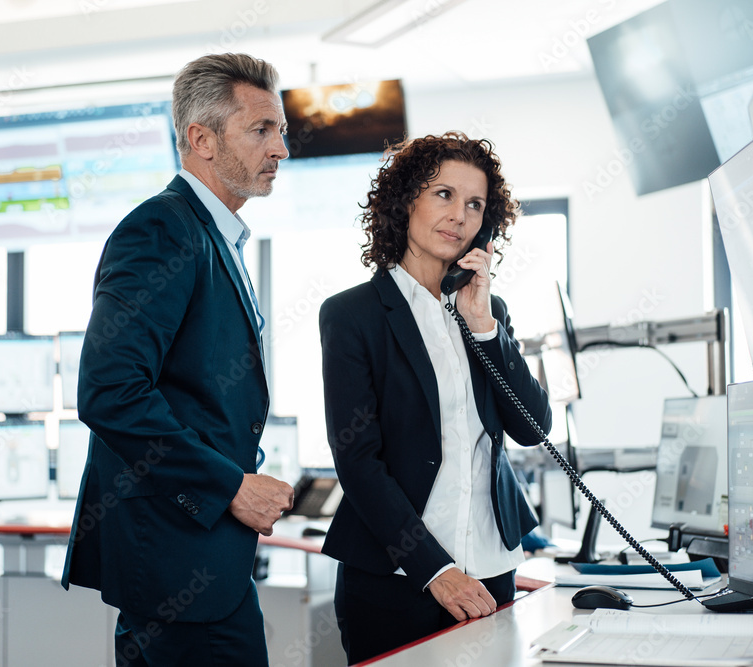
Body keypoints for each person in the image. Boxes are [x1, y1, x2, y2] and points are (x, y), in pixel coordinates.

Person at [62, 53, 294, 667]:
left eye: (282, 131)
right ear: (201, 140)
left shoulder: (215, 237)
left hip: (204, 556)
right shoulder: (161, 231)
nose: (281, 149)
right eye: (262, 130)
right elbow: (110, 391)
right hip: (175, 561)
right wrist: (231, 487)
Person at [318, 132, 553, 663]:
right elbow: (357, 462)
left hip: (492, 568)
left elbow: (534, 429)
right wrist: (435, 571)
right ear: (406, 202)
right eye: (443, 194)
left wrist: (484, 324)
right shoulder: (353, 315)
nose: (460, 216)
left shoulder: (488, 312)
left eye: (475, 204)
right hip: (397, 577)